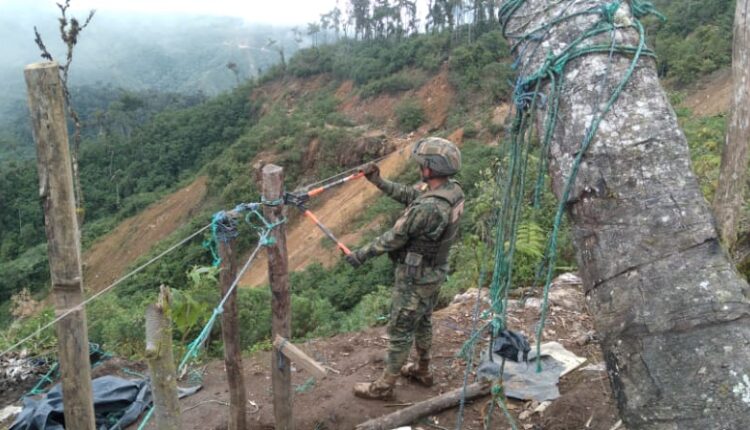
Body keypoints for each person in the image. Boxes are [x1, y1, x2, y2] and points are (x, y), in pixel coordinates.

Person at [345, 137, 464, 400]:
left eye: (422, 163)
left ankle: (384, 386)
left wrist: (361, 255)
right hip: (435, 272)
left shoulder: (430, 207)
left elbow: (394, 238)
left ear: (431, 167)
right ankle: (422, 370)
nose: (419, 166)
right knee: (423, 320)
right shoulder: (450, 191)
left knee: (400, 330)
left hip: (416, 277)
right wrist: (378, 181)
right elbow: (412, 195)